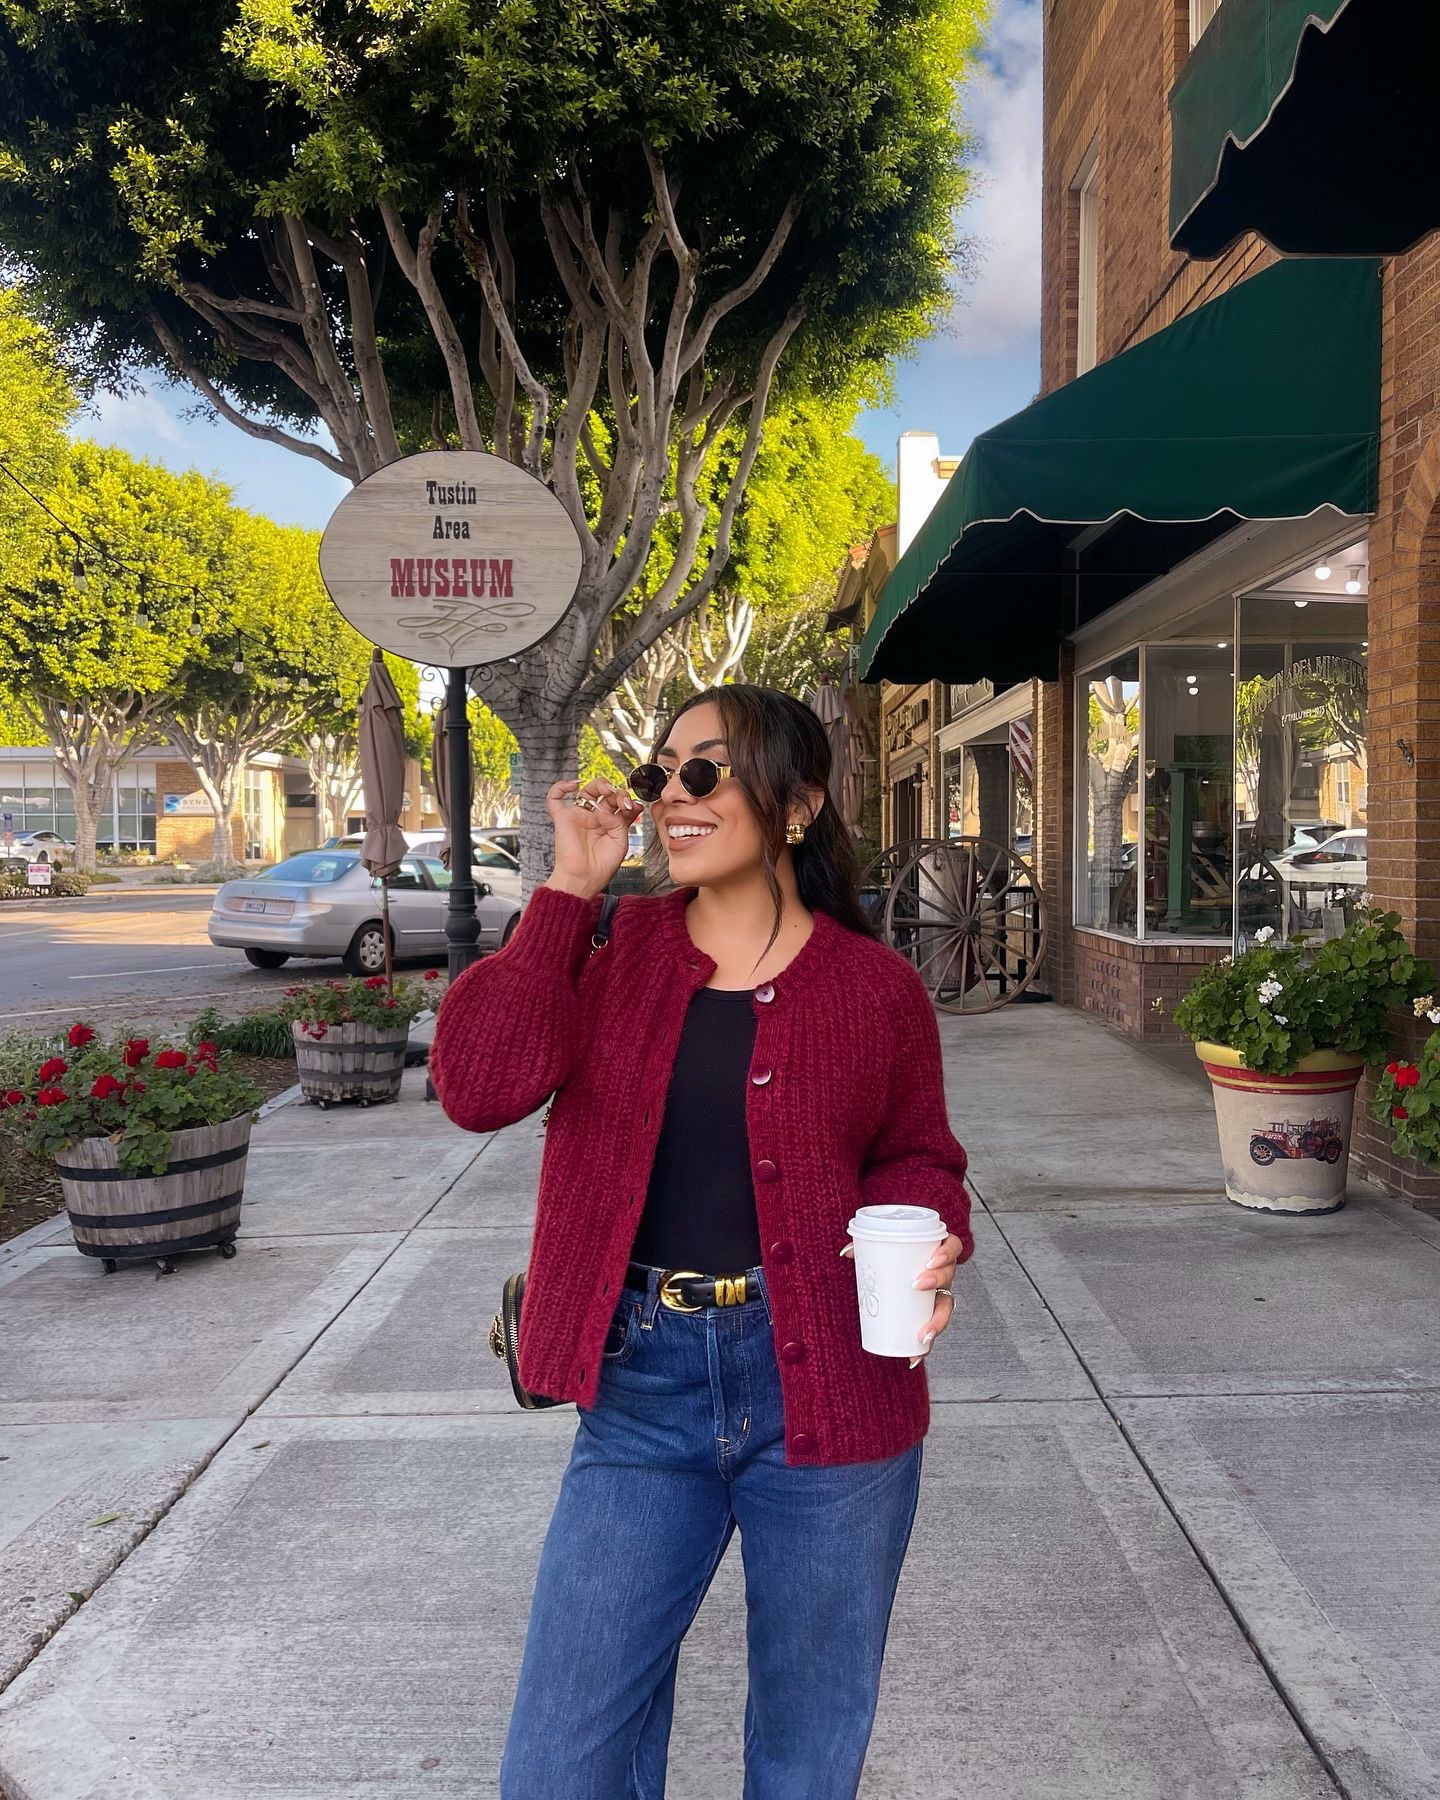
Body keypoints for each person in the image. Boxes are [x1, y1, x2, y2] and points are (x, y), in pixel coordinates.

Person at [429, 684, 972, 1799]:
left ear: (800, 803)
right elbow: (477, 1090)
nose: (670, 795)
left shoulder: (876, 989)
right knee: (562, 1758)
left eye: (704, 771)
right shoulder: (611, 951)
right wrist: (569, 889)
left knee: (809, 1742)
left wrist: (933, 1244)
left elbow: (919, 1157)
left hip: (833, 1384)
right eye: (658, 772)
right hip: (640, 1388)